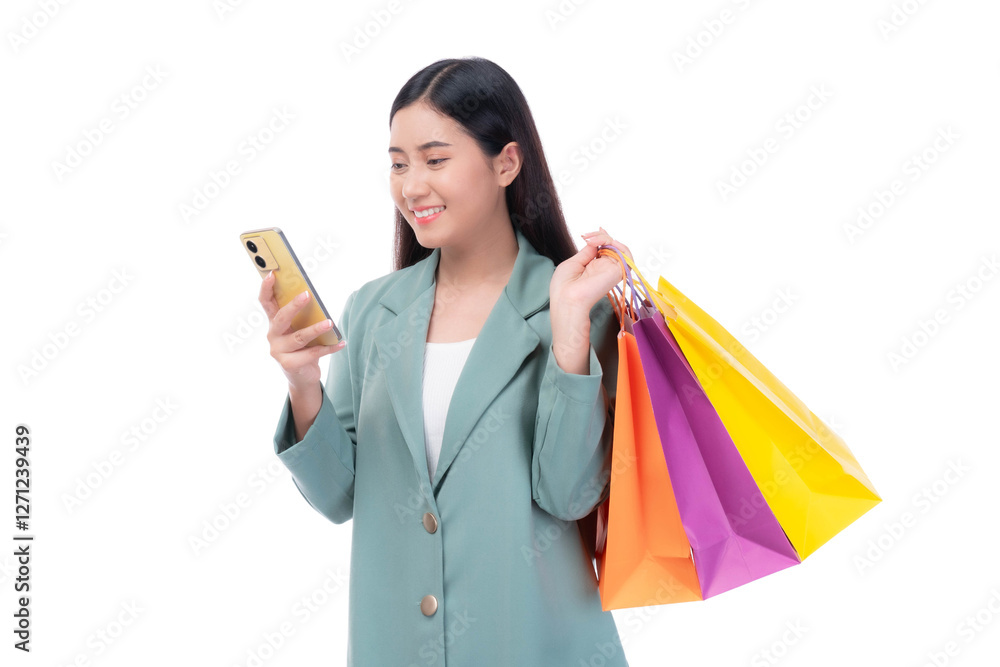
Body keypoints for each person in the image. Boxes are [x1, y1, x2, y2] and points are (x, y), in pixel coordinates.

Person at [259, 56, 634, 666]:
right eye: (398, 164)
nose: (411, 186)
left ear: (506, 162)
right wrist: (303, 382)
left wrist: (568, 333)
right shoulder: (373, 312)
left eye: (435, 160)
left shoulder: (578, 307)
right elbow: (337, 497)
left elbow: (569, 495)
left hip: (537, 646)